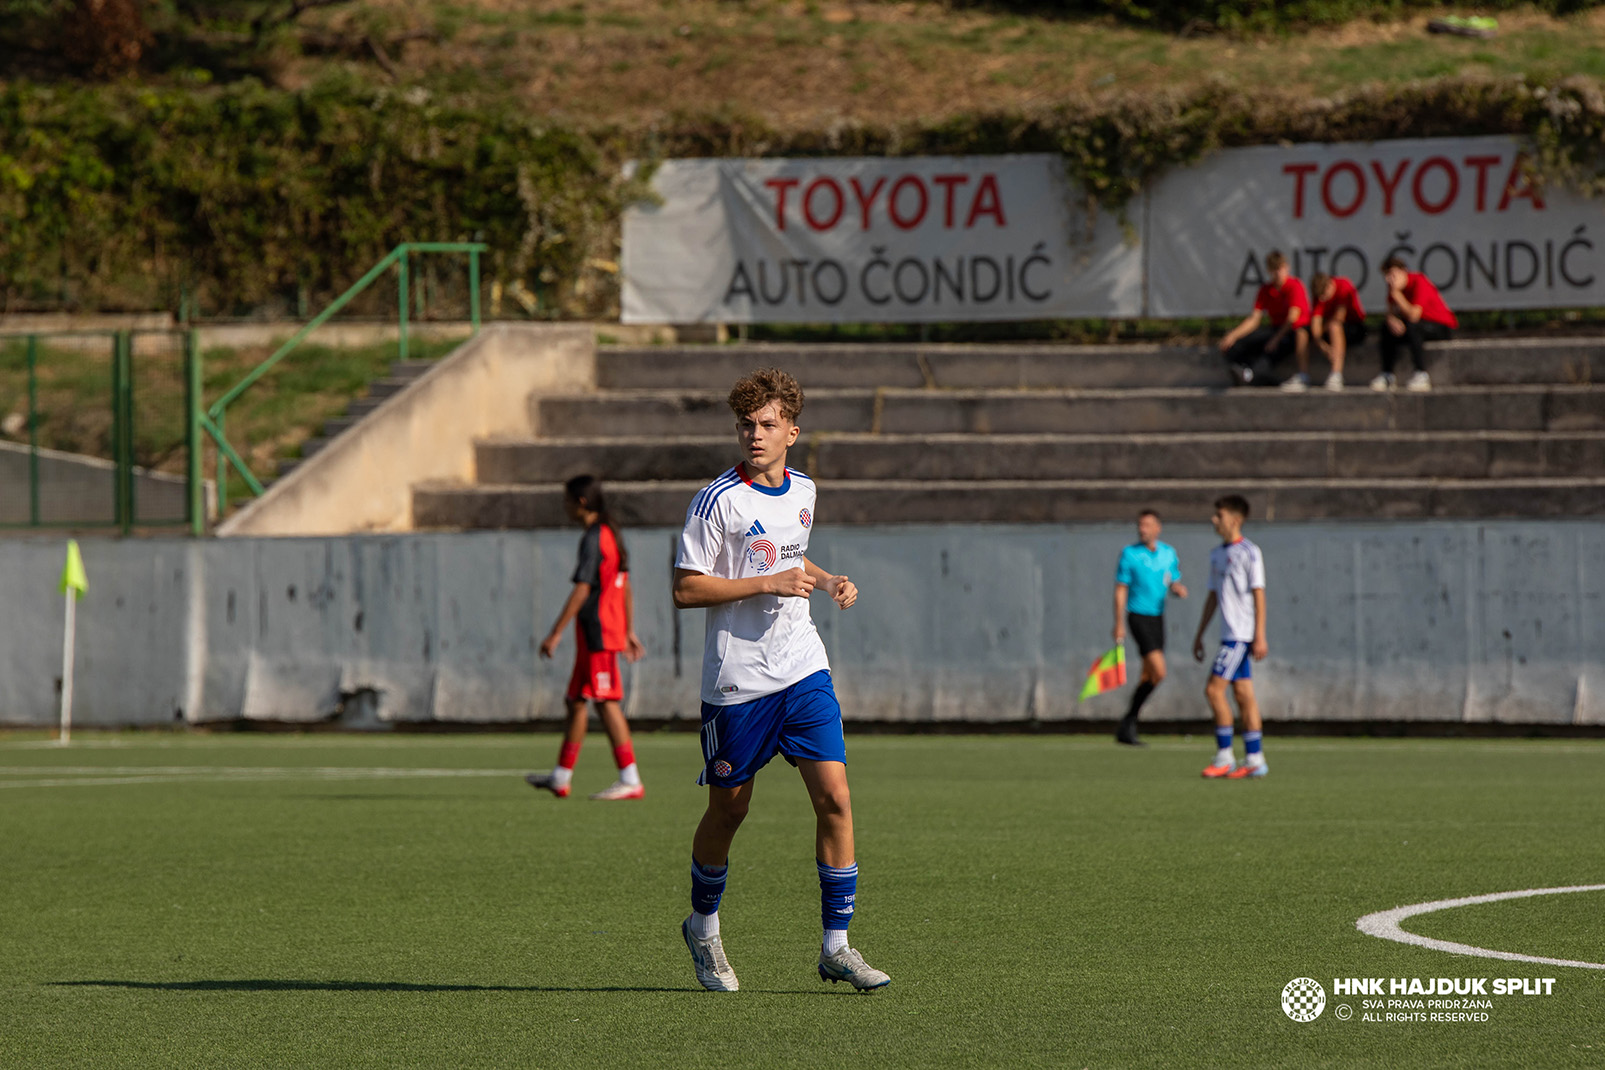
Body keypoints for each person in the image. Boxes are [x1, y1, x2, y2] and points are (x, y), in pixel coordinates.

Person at [672, 367, 890, 994]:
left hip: (802, 668)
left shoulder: (805, 490)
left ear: (792, 431)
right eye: (746, 425)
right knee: (729, 812)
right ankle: (703, 926)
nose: (755, 435)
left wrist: (825, 580)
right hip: (737, 684)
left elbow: (789, 553)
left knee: (837, 799)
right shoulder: (717, 501)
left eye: (767, 424)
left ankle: (837, 946)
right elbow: (687, 587)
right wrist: (766, 583)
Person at [525, 475, 647, 801]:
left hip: (599, 632)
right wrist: (629, 629)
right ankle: (561, 777)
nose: (564, 507)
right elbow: (625, 584)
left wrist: (554, 633)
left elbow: (583, 588)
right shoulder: (612, 533)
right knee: (576, 701)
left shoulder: (595, 537)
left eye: (566, 501)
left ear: (580, 502)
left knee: (605, 702)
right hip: (601, 631)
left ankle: (630, 778)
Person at [1191, 495, 1268, 780]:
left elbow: (1259, 594)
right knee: (1243, 694)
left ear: (1235, 520)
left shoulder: (1250, 552)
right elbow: (1213, 597)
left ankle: (1224, 757)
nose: (1214, 520)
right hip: (1228, 636)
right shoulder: (1217, 554)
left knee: (1213, 690)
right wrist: (1200, 634)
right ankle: (1255, 760)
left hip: (1240, 636)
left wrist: (1259, 635)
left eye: (1219, 515)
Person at [1112, 510, 1188, 747]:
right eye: (1140, 525)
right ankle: (1129, 720)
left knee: (1149, 675)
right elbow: (1121, 589)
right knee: (1160, 671)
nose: (1142, 529)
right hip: (1138, 617)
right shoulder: (1130, 554)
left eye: (1147, 525)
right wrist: (1119, 623)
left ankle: (1127, 725)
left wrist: (1177, 588)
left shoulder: (1168, 553)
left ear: (1158, 528)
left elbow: (1171, 578)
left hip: (1158, 618)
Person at [1218, 251, 1309, 388]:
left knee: (1270, 353)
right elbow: (1254, 319)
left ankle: (1254, 374)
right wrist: (1233, 335)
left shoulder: (1294, 286)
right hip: (1275, 330)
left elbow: (1292, 318)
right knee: (1233, 346)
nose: (1278, 273)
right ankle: (1248, 372)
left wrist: (1276, 339)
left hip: (1291, 332)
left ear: (1286, 268)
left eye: (1280, 268)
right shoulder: (1266, 289)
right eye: (1274, 270)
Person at [1373, 256, 1457, 392]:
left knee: (1413, 326)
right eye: (1387, 275)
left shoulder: (1419, 281)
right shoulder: (1393, 289)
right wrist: (1391, 320)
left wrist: (1396, 293)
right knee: (1386, 328)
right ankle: (1387, 374)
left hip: (1440, 327)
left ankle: (1421, 373)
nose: (1389, 279)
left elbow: (1414, 315)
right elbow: (1390, 313)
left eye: (1392, 274)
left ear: (1404, 271)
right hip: (1418, 327)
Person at [1287, 272, 1365, 393]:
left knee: (1334, 326)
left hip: (1353, 327)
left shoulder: (1344, 285)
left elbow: (1339, 316)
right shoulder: (1319, 293)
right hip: (1329, 327)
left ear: (1330, 285)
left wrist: (1321, 333)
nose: (1322, 299)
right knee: (1302, 331)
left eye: (1324, 294)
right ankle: (1303, 375)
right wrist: (1321, 344)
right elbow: (1316, 322)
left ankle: (1336, 374)